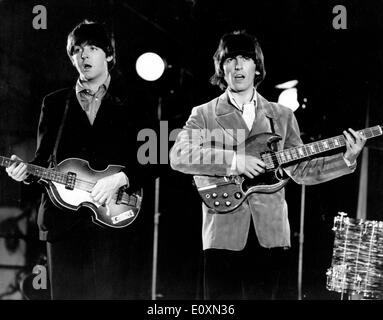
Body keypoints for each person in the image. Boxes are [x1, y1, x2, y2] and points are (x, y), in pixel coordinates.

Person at [169, 30, 366, 300]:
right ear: (221, 67)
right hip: (223, 236)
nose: (238, 66)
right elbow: (179, 155)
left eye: (245, 58)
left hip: (271, 237)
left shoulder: (282, 115)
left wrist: (346, 158)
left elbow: (302, 169)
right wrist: (235, 161)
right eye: (230, 59)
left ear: (256, 67)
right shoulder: (204, 114)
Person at [5, 20, 154, 299]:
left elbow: (157, 158)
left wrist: (121, 179)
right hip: (62, 224)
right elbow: (43, 161)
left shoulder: (136, 100)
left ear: (109, 54)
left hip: (113, 220)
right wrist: (25, 173)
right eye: (77, 50)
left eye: (93, 48)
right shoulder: (54, 103)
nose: (84, 55)